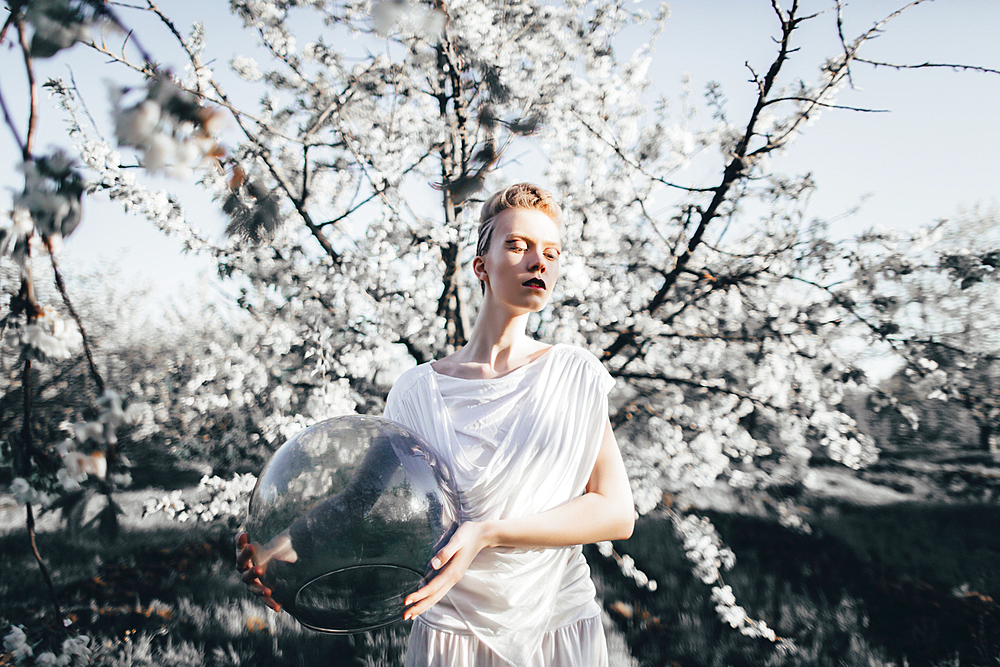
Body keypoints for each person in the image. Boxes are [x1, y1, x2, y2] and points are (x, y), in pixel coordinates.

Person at [237, 183, 635, 666]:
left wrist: (489, 533)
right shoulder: (416, 391)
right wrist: (280, 546)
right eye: (518, 245)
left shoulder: (574, 373)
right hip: (450, 631)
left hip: (556, 624)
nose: (539, 262)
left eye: (551, 252)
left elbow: (616, 512)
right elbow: (361, 501)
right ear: (480, 265)